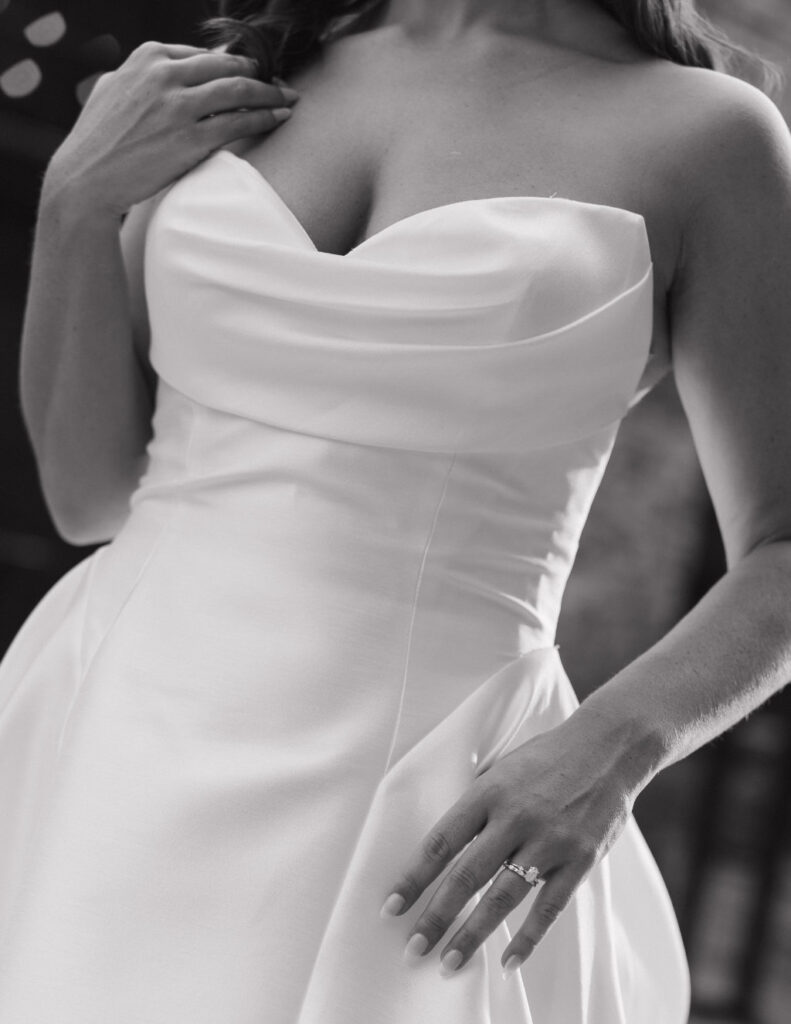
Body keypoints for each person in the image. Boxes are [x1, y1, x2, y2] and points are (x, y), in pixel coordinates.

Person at [1, 0, 790, 1021]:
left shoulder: (709, 134)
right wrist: (75, 199)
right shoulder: (241, 73)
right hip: (100, 734)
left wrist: (611, 748)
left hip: (424, 802)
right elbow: (86, 495)